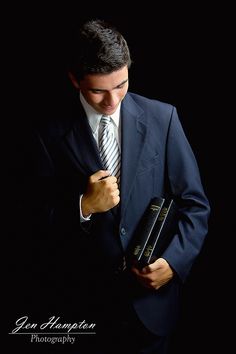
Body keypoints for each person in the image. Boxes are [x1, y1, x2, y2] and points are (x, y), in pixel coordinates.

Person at [12, 19, 210, 354]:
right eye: (98, 90)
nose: (112, 100)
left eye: (121, 85)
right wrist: (83, 207)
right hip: (80, 306)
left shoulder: (164, 118)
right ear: (75, 80)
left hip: (152, 308)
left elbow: (195, 204)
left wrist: (174, 264)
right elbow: (27, 225)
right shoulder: (45, 133)